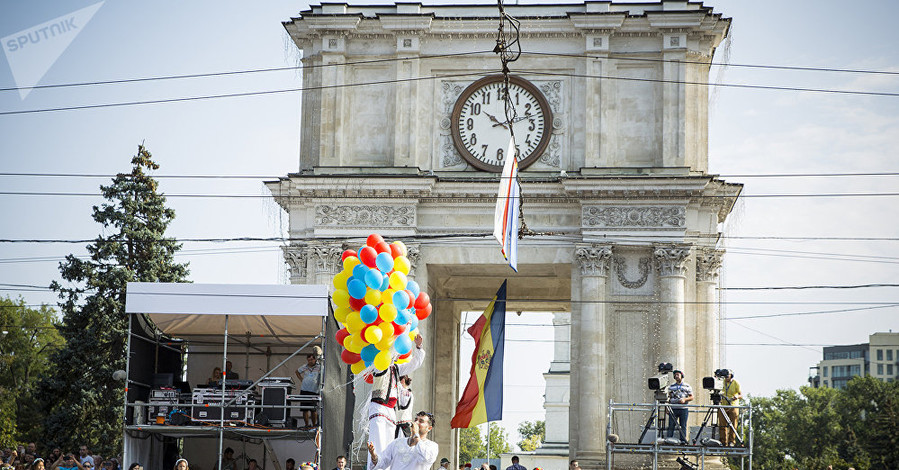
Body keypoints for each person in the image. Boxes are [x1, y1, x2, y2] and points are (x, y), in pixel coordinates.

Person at [367, 334, 426, 470]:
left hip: (390, 412)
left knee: (389, 446)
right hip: (379, 409)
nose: (398, 355)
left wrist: (418, 347)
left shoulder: (396, 369)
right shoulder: (379, 365)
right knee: (378, 442)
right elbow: (382, 364)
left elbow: (414, 364)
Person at [368, 411, 438, 470]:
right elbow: (383, 462)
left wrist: (416, 435)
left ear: (429, 428)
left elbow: (425, 458)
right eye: (416, 419)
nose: (416, 423)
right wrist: (374, 455)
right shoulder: (397, 442)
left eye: (421, 421)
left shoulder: (432, 446)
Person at [296, 353, 322, 429]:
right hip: (304, 389)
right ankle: (306, 425)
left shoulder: (319, 367)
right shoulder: (304, 366)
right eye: (309, 360)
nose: (310, 361)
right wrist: (301, 379)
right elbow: (297, 371)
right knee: (304, 409)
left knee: (313, 409)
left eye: (312, 359)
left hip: (314, 390)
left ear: (315, 359)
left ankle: (314, 425)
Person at [667, 370, 694, 443]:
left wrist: (685, 399)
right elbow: (668, 398)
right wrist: (667, 408)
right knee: (671, 425)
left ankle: (683, 441)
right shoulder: (671, 387)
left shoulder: (687, 386)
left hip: (683, 409)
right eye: (675, 375)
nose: (676, 376)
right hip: (673, 408)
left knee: (683, 425)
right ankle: (669, 440)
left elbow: (691, 397)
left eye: (678, 375)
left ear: (682, 376)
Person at [718, 370, 743, 447]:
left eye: (727, 375)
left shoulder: (736, 383)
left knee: (733, 425)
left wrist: (736, 397)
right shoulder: (721, 382)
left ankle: (731, 441)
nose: (726, 377)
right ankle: (723, 442)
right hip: (723, 405)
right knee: (722, 424)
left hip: (733, 406)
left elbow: (741, 395)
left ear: (731, 375)